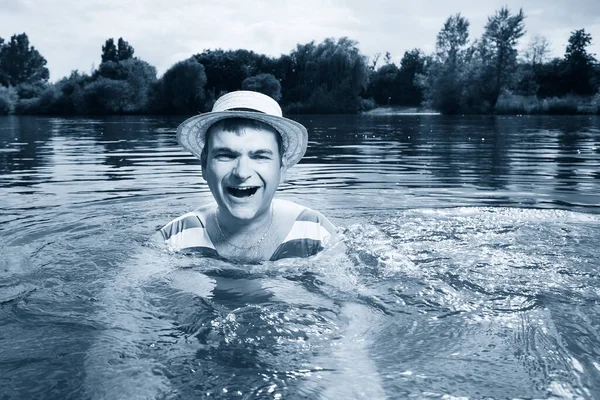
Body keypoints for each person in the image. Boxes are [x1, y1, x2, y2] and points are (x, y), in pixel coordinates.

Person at [157, 90, 335, 263]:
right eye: (226, 155)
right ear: (204, 165)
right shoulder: (173, 239)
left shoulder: (316, 233)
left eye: (260, 156)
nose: (242, 173)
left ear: (282, 167)